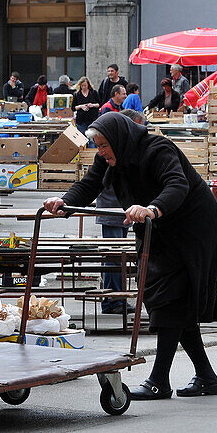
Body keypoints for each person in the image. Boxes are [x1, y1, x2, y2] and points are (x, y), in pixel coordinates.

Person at [45, 112, 217, 400]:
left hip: (191, 229)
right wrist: (64, 202)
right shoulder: (109, 156)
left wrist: (152, 208)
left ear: (119, 139)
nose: (101, 152)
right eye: (99, 146)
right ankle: (206, 376)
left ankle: (159, 381)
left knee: (170, 300)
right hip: (158, 228)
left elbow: (177, 185)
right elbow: (90, 185)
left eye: (104, 146)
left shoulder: (157, 150)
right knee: (176, 302)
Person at [93, 107, 143, 315]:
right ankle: (113, 300)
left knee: (118, 256)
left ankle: (116, 298)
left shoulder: (130, 151)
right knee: (113, 256)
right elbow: (91, 184)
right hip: (112, 210)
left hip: (122, 212)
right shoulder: (111, 153)